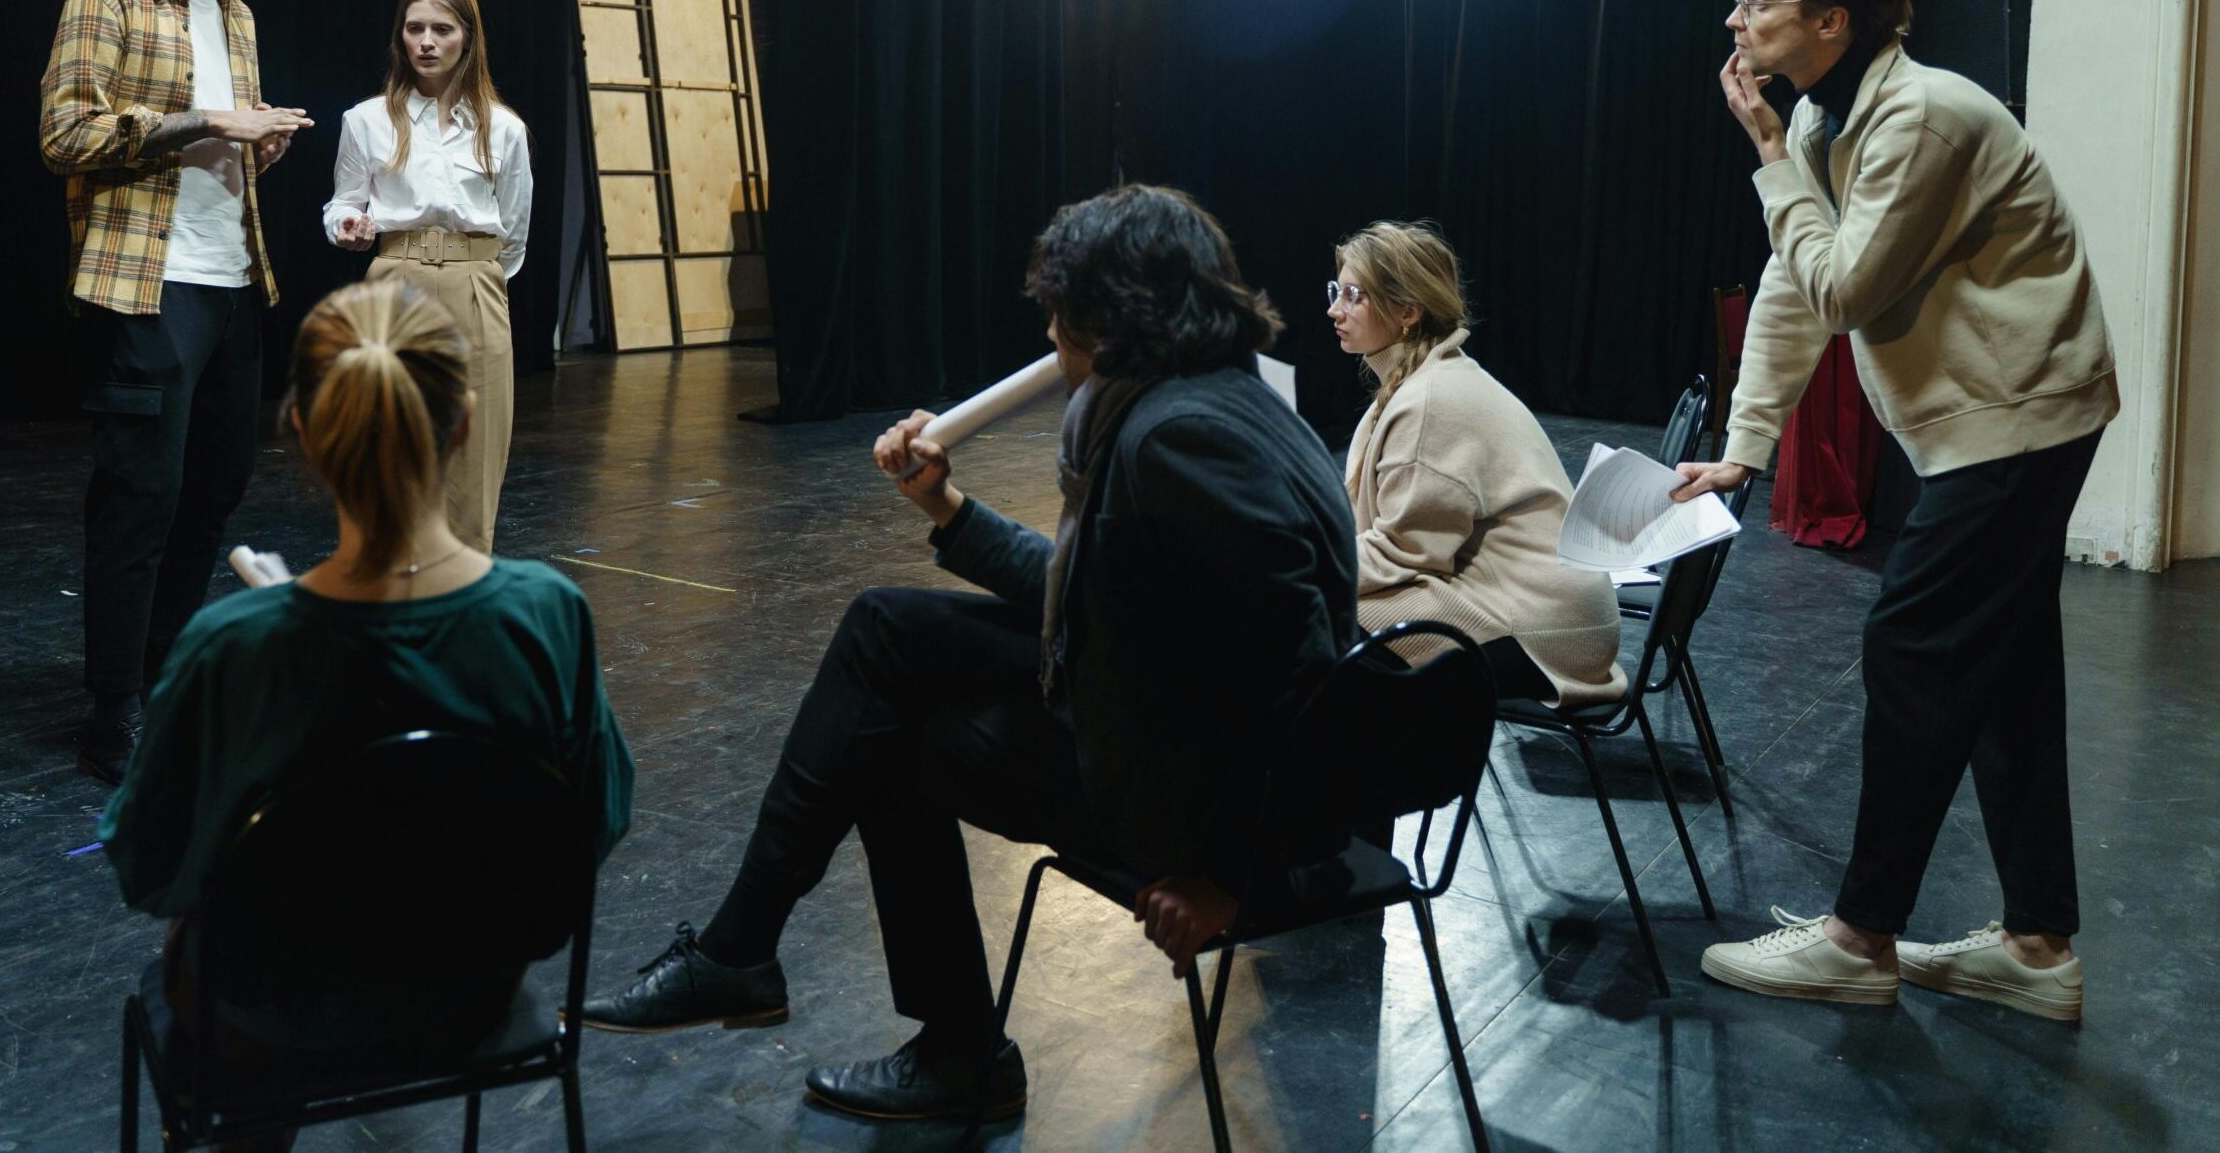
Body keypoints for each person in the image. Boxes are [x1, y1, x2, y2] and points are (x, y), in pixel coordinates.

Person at [581, 185, 1357, 1123]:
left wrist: (1231, 880)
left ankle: (919, 1034)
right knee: (885, 629)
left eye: (1060, 314)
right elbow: (1094, 594)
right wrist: (945, 509)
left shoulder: (1181, 438)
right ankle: (752, 958)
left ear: (1111, 318)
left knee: (887, 746)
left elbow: (1303, 675)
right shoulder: (1215, 395)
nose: (1052, 336)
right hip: (1161, 719)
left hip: (1201, 813)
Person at [1684, 0, 2116, 1022]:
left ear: (1832, 21)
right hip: (1988, 421)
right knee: (2006, 675)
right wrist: (1743, 450)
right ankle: (2035, 948)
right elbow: (1791, 287)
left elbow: (1844, 290)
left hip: (2018, 420)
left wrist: (1771, 157)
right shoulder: (1838, 118)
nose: (1736, 17)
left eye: (1759, 0)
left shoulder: (1919, 117)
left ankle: (1858, 937)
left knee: (1915, 649)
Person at [99, 279, 632, 1063]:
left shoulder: (232, 644)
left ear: (306, 433)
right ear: (464, 426)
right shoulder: (547, 614)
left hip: (272, 1009)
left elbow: (149, 863)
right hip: (471, 988)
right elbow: (597, 816)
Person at [40, 0, 313, 784]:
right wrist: (207, 122)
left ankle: (163, 675)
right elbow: (65, 133)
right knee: (138, 501)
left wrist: (257, 145)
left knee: (215, 491)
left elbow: (221, 147)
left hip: (234, 279)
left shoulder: (235, 13)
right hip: (145, 282)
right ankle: (110, 709)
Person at [1329, 220, 1625, 705]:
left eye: (1353, 296)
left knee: (1324, 621)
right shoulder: (1425, 380)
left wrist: (1300, 567)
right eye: (1336, 292)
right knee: (1325, 608)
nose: (1334, 310)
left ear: (1407, 311)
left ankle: (1365, 775)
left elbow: (1405, 553)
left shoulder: (1429, 400)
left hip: (1551, 630)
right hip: (1538, 604)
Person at [324, 0, 531, 552]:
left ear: (468, 36)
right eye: (415, 28)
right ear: (400, 35)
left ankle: (461, 596)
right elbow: (344, 200)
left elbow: (514, 229)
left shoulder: (504, 128)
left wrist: (477, 275)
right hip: (396, 276)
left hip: (476, 281)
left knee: (477, 449)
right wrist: (346, 225)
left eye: (442, 28)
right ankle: (386, 590)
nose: (427, 42)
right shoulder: (366, 120)